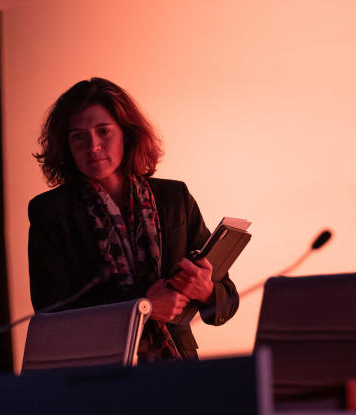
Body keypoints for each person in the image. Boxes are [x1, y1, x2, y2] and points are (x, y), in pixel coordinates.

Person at [28, 78, 238, 361]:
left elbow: (228, 300)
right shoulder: (50, 211)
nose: (93, 146)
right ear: (66, 144)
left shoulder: (174, 197)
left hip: (177, 370)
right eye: (78, 136)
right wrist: (141, 308)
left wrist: (207, 291)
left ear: (126, 134)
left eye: (103, 131)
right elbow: (50, 315)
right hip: (96, 373)